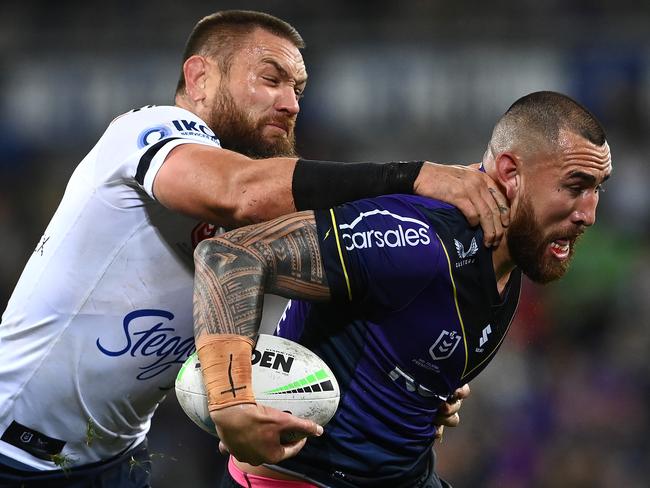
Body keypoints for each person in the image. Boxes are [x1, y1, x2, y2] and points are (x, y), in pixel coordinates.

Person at [0, 10, 505, 487]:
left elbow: (291, 355)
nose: (291, 105)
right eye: (271, 79)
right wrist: (409, 177)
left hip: (117, 461)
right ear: (200, 78)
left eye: (298, 90)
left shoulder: (271, 239)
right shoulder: (144, 131)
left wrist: (411, 391)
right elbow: (238, 192)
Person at [191, 91, 612, 487]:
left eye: (598, 189)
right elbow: (229, 257)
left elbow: (405, 336)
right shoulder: (416, 240)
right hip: (306, 477)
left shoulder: (512, 251)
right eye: (575, 187)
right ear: (510, 174)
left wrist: (425, 394)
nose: (589, 213)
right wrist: (231, 403)